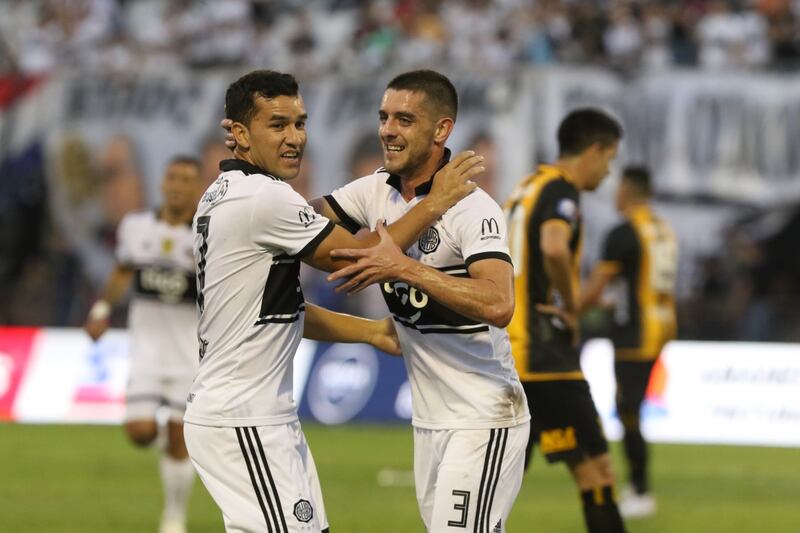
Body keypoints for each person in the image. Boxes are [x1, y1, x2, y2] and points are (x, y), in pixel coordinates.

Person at [186, 69, 483, 533]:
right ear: (240, 134)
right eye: (277, 125)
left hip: (252, 414)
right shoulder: (263, 198)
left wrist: (371, 332)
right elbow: (360, 260)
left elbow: (278, 313)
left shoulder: (221, 194)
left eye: (300, 123)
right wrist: (433, 204)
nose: (294, 138)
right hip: (243, 415)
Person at [316, 70, 531, 533]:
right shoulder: (374, 190)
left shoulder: (473, 207)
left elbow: (499, 304)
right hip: (430, 421)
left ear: (441, 130)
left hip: (484, 415)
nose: (388, 130)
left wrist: (405, 268)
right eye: (384, 117)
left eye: (405, 119)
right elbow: (304, 224)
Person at [503, 108, 627, 533]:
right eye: (609, 159)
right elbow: (554, 246)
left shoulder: (525, 188)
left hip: (508, 348)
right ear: (593, 151)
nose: (608, 172)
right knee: (598, 473)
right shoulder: (561, 191)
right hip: (543, 354)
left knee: (497, 482)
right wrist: (573, 306)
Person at [84, 156, 204, 533]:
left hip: (188, 356)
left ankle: (174, 517)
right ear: (163, 183)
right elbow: (122, 271)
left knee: (179, 438)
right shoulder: (135, 227)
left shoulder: (206, 235)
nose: (178, 185)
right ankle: (165, 449)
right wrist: (102, 309)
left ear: (197, 187)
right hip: (146, 353)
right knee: (140, 433)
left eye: (186, 179)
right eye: (172, 177)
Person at [580, 165, 678, 518]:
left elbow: (597, 286)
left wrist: (568, 310)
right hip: (661, 327)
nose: (615, 193)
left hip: (635, 333)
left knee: (629, 410)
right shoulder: (662, 229)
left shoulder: (624, 233)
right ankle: (638, 487)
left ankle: (640, 489)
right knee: (629, 408)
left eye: (619, 186)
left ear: (628, 190)